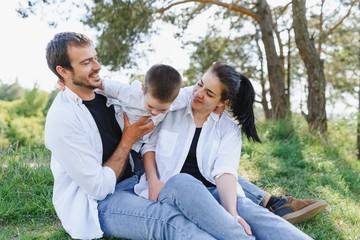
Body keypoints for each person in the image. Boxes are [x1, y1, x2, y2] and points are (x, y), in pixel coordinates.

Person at [45, 32, 324, 239]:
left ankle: (267, 208)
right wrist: (129, 140)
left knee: (232, 202)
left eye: (95, 58)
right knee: (171, 220)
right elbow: (97, 188)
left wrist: (214, 99)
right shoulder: (63, 120)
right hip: (106, 199)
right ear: (63, 72)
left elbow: (176, 94)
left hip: (143, 178)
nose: (96, 67)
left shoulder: (116, 95)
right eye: (86, 63)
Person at [134, 62, 321, 239]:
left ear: (222, 102)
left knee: (251, 212)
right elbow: (149, 146)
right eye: (199, 84)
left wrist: (232, 214)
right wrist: (153, 182)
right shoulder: (172, 108)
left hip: (210, 191)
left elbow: (225, 172)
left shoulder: (228, 128)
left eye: (209, 93)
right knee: (184, 183)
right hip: (171, 188)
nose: (198, 93)